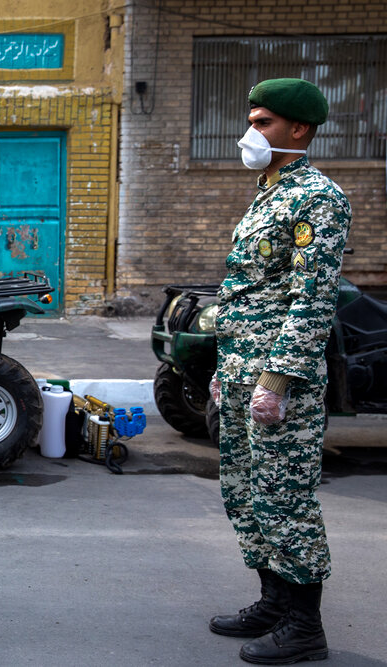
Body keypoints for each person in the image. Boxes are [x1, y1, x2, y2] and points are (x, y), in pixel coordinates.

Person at [210, 78, 351, 664]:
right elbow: (248, 294)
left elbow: (312, 299)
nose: (251, 132)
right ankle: (271, 599)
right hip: (243, 370)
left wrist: (276, 379)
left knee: (285, 496)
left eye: (263, 122)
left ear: (299, 130)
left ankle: (304, 623)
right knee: (245, 493)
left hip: (277, 381)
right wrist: (225, 371)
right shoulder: (269, 195)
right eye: (251, 119)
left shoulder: (318, 198)